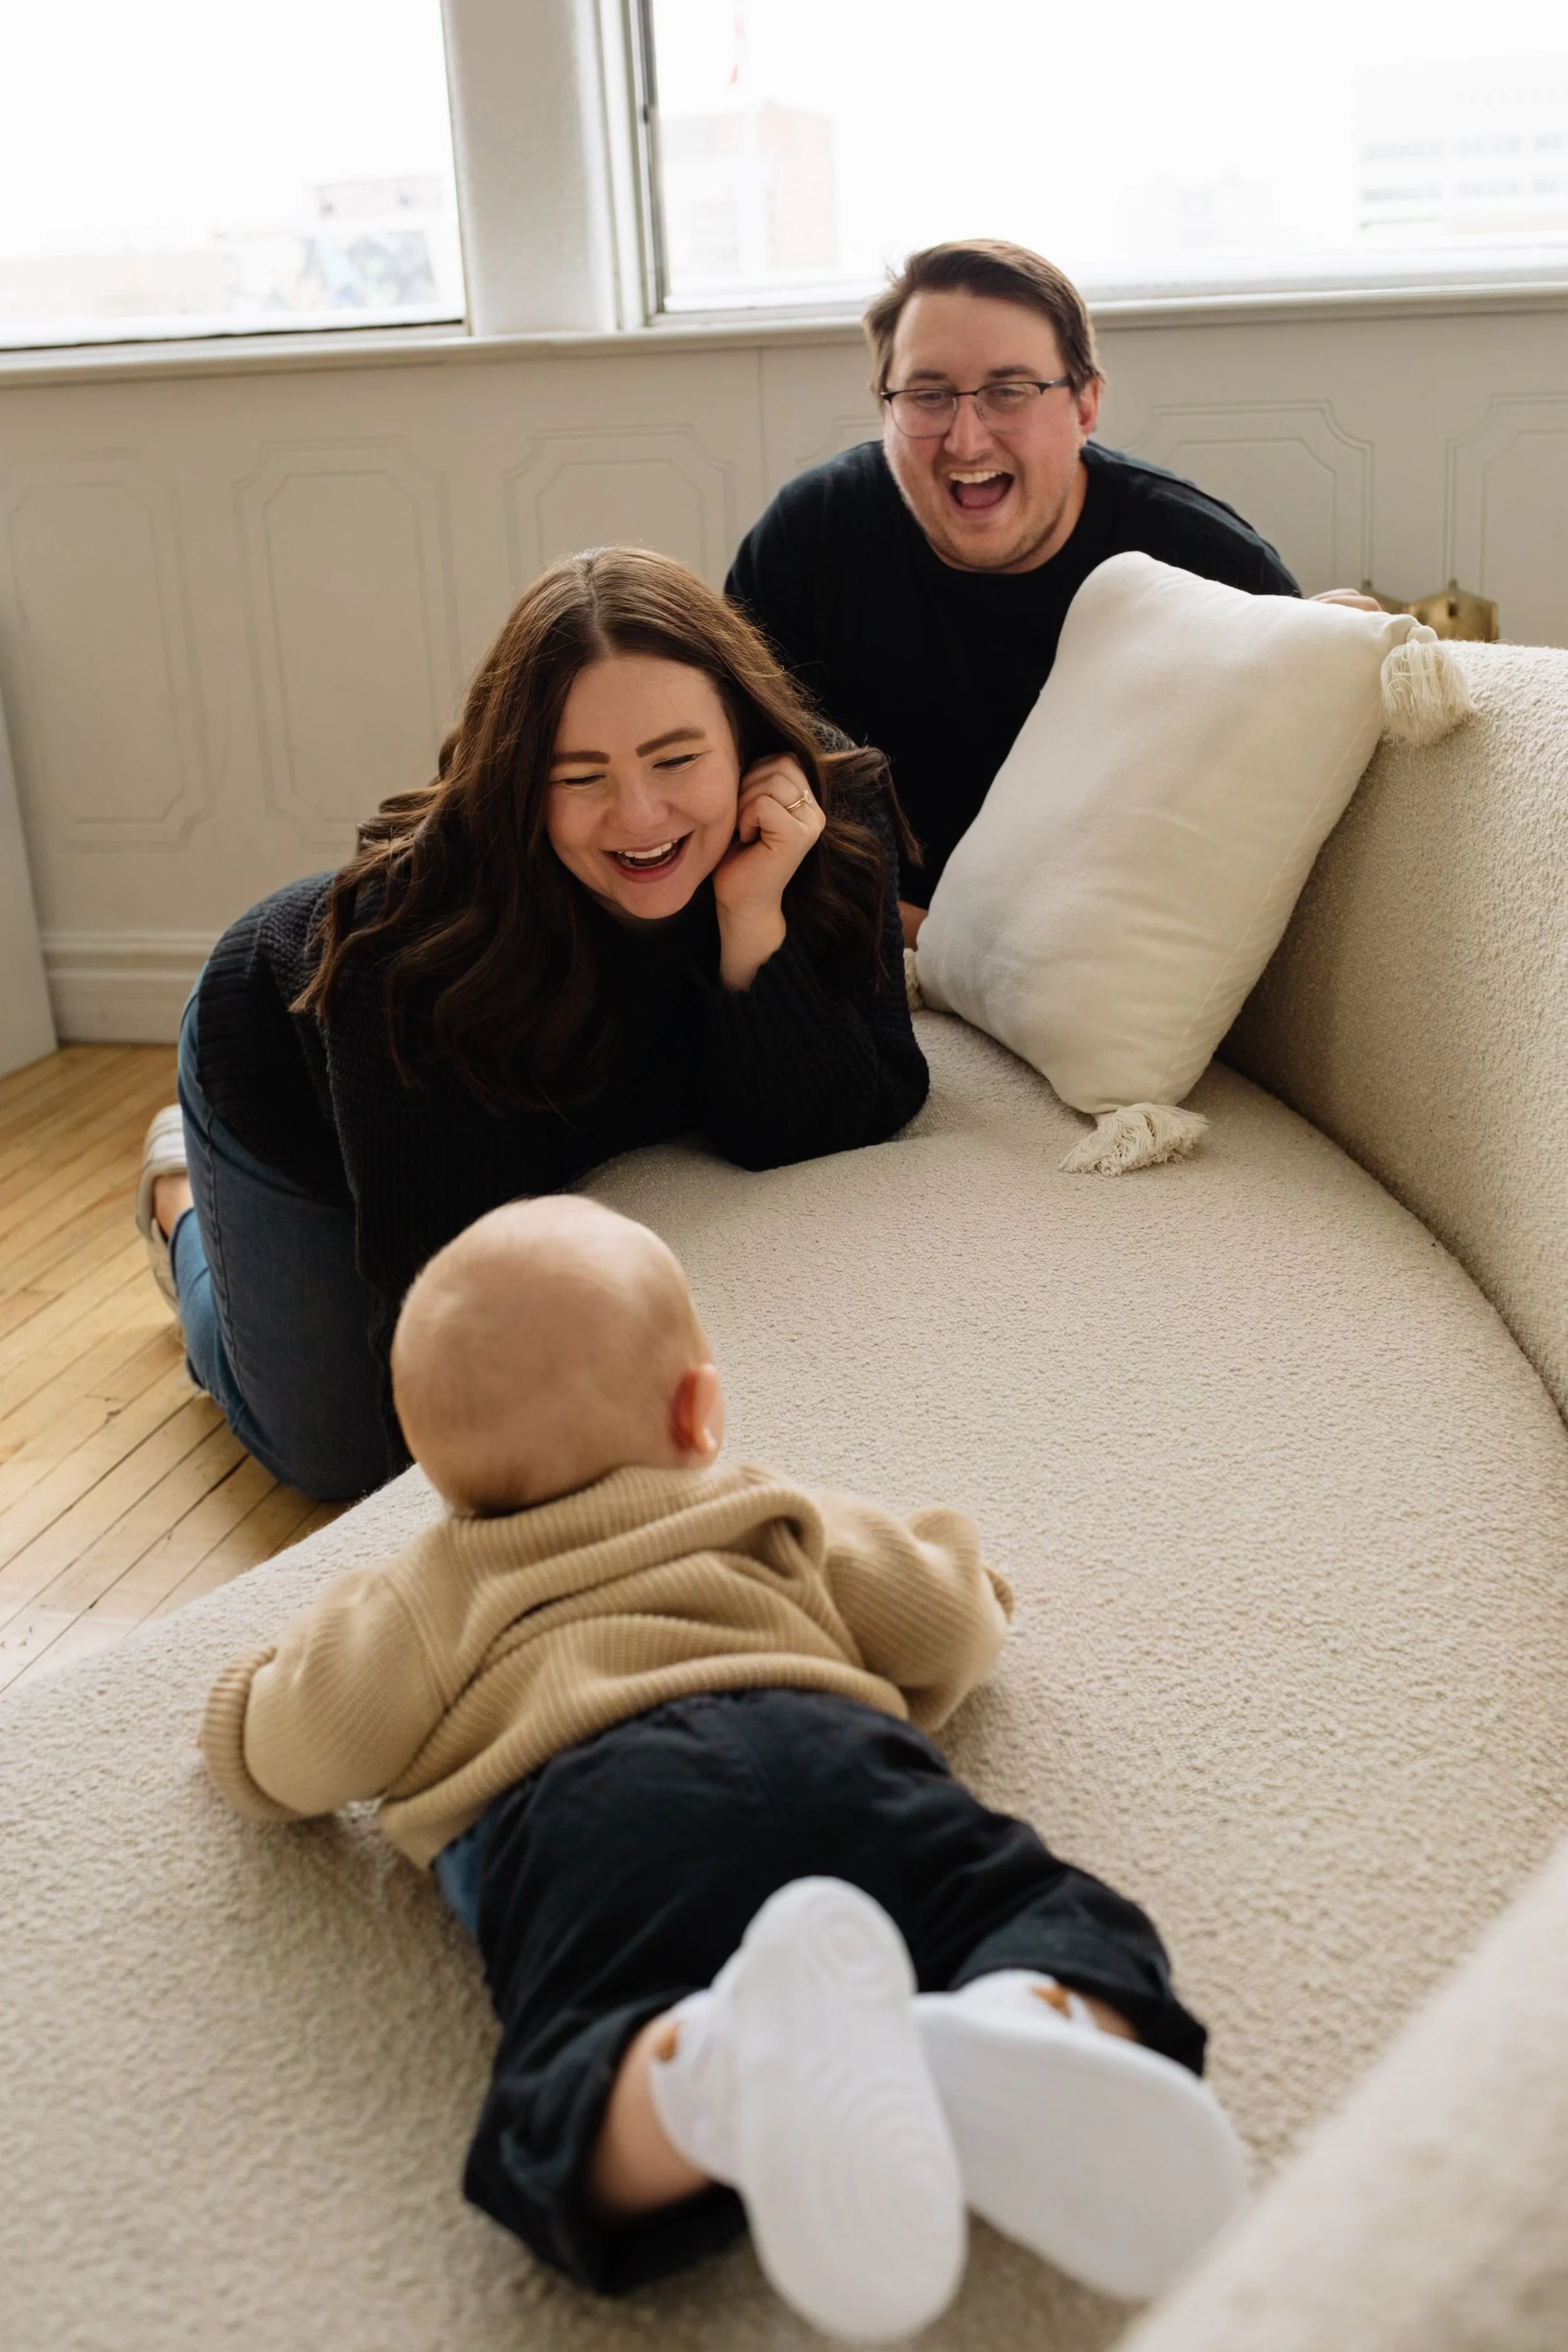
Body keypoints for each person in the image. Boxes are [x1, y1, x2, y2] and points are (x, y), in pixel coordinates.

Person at [199, 1195, 1248, 2342]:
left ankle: (709, 2072)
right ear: (698, 1410)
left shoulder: (423, 1596)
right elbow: (947, 1626)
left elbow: (290, 1756)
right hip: (832, 1750)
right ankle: (1030, 2017)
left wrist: (240, 1712)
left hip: (591, 1820)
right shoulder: (765, 1511)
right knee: (1028, 1904)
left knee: (568, 2084)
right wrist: (980, 1589)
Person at [133, 548, 928, 1503]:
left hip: (547, 1092)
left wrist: (752, 920)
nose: (640, 816)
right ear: (518, 781)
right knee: (339, 1456)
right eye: (578, 776)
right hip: (286, 1072)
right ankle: (182, 1202)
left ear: (747, 737)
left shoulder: (822, 811)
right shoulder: (417, 952)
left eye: (677, 758)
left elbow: (844, 1115)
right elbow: (443, 1304)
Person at [726, 238, 1381, 943]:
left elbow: (1285, 837)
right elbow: (728, 778)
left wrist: (1339, 662)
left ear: (1086, 405)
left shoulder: (1206, 561)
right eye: (928, 396)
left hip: (1093, 966)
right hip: (867, 939)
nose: (967, 440)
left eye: (1010, 392)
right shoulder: (810, 535)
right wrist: (929, 938)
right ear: (886, 410)